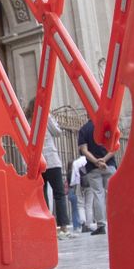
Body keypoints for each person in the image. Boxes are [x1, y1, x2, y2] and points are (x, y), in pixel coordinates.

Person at [27, 96, 72, 238]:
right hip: (51, 160)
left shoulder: (28, 120)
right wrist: (50, 116)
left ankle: (45, 226)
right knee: (59, 194)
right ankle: (63, 226)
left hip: (37, 162)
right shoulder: (45, 117)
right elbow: (57, 132)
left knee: (42, 195)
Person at [77, 118, 115, 235]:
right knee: (113, 194)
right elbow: (114, 147)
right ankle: (116, 220)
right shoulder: (108, 126)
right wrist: (104, 159)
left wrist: (96, 161)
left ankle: (101, 225)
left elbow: (84, 150)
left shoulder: (84, 129)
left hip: (93, 168)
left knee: (98, 195)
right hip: (109, 165)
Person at [67, 154, 86, 232]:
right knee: (78, 208)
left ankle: (76, 226)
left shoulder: (68, 172)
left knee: (74, 210)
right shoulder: (73, 172)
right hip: (74, 191)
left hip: (70, 192)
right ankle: (79, 225)